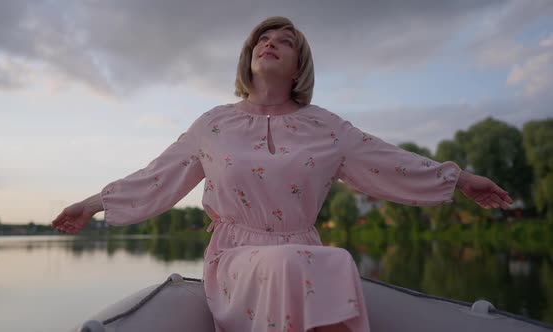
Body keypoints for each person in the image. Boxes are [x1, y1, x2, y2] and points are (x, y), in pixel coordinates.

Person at [51, 16, 512, 332]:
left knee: (330, 260)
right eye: (263, 39)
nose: (269, 43)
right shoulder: (213, 124)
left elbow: (389, 160)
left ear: (298, 68)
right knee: (309, 263)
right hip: (236, 258)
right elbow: (157, 176)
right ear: (250, 58)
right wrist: (92, 205)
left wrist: (460, 179)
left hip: (303, 251)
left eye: (285, 41)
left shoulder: (327, 127)